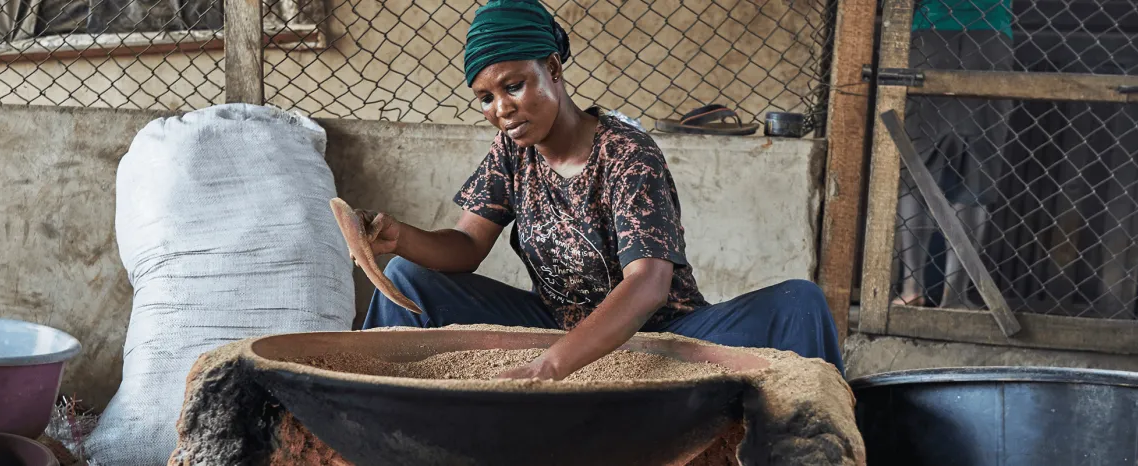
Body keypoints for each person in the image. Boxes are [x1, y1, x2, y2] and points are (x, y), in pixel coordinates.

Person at [349, 0, 842, 380]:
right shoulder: (511, 150)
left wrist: (554, 364)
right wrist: (401, 237)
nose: (501, 108)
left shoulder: (627, 153)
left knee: (798, 302)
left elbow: (649, 284)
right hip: (556, 324)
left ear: (554, 71)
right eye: (485, 98)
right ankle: (373, 417)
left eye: (514, 86)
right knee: (409, 277)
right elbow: (468, 246)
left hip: (663, 333)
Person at [892, 0, 1013, 308]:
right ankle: (955, 294)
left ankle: (912, 288)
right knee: (976, 170)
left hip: (929, 31)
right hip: (989, 35)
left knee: (916, 167)